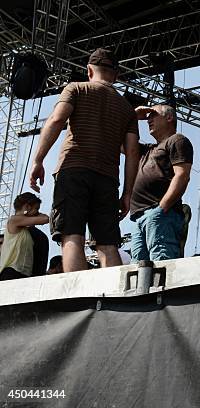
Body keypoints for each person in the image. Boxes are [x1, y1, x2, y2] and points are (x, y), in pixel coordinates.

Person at [29, 48, 140, 272]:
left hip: (73, 170)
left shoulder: (76, 88)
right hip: (108, 179)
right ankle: (115, 301)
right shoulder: (127, 109)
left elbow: (57, 120)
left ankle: (77, 301)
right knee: (108, 244)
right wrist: (128, 193)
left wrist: (38, 160)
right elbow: (132, 153)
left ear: (89, 70)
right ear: (115, 75)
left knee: (71, 236)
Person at [129, 104, 193, 262]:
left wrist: (162, 208)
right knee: (137, 269)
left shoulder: (177, 140)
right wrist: (132, 117)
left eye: (153, 115)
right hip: (140, 217)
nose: (148, 119)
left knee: (161, 263)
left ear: (169, 117)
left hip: (160, 214)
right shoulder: (147, 150)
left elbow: (182, 175)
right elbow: (116, 141)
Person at [0, 193, 49, 280]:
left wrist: (32, 212)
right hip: (12, 272)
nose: (37, 212)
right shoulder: (14, 220)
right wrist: (33, 214)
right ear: (27, 206)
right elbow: (45, 219)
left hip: (23, 273)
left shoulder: (26, 231)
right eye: (36, 208)